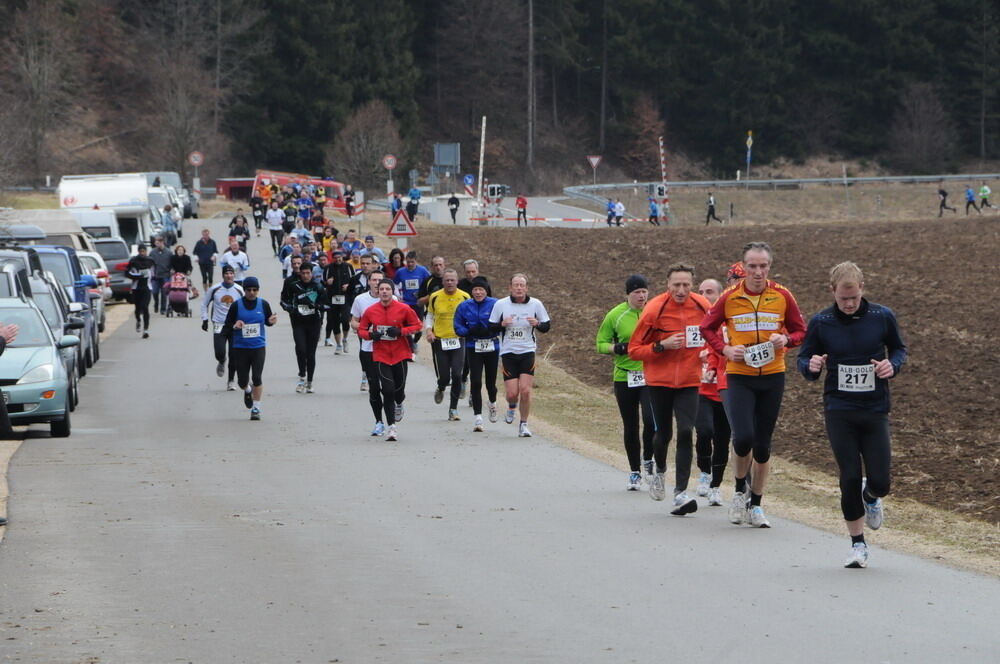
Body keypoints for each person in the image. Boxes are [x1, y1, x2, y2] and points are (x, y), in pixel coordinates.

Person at [797, 262, 907, 568]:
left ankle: (871, 496)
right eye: (843, 298)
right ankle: (858, 545)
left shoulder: (881, 317)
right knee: (848, 477)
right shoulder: (822, 322)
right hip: (839, 409)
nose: (848, 304)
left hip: (874, 409)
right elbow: (804, 358)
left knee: (882, 481)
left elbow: (899, 349)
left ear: (862, 290)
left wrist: (892, 366)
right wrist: (811, 367)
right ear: (832, 291)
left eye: (854, 298)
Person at [700, 241, 807, 528]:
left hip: (772, 376)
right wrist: (724, 349)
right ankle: (738, 492)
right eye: (752, 266)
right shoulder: (729, 297)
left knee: (762, 446)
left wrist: (785, 340)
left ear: (769, 267)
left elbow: (800, 330)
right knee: (743, 437)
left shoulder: (783, 295)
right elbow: (706, 328)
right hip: (739, 376)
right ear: (744, 267)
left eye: (763, 266)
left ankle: (756, 504)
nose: (758, 272)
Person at [628, 264, 711, 514]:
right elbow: (634, 350)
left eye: (686, 284)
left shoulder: (703, 307)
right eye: (676, 284)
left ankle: (681, 493)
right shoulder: (655, 308)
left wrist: (710, 353)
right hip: (659, 381)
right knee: (664, 434)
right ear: (668, 285)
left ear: (692, 285)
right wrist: (661, 345)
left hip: (690, 380)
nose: (681, 290)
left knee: (686, 431)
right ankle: (660, 471)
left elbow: (716, 336)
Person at [596, 275, 656, 491]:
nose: (641, 296)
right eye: (636, 293)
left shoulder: (654, 311)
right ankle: (634, 472)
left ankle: (648, 458)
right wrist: (615, 348)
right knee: (631, 425)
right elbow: (600, 343)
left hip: (650, 375)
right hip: (624, 376)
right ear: (628, 295)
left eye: (644, 292)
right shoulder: (616, 315)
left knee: (651, 421)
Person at [358, 279, 422, 441]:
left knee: (398, 390)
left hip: (400, 354)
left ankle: (399, 403)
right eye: (382, 289)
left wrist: (401, 331)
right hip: (381, 355)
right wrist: (371, 335)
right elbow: (361, 330)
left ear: (392, 292)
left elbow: (417, 325)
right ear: (378, 292)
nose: (385, 292)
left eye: (387, 289)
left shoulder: (404, 309)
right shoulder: (371, 311)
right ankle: (391, 427)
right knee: (387, 390)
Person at [488, 274, 551, 437]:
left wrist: (537, 324)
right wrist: (502, 324)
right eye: (516, 285)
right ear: (510, 287)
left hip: (527, 351)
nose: (519, 288)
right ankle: (511, 407)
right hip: (508, 352)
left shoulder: (536, 304)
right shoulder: (501, 304)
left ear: (527, 288)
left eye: (522, 285)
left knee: (526, 390)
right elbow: (491, 327)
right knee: (511, 394)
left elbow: (546, 326)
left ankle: (523, 424)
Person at [694, 277, 730, 505]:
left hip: (725, 391)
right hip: (701, 390)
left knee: (723, 439)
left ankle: (716, 485)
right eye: (701, 292)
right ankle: (705, 473)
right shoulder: (693, 322)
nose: (704, 296)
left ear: (719, 296)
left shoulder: (726, 325)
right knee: (704, 431)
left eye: (709, 292)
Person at [222, 276, 277, 421]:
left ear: (258, 290)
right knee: (242, 381)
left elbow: (267, 321)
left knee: (257, 377)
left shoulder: (263, 304)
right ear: (244, 290)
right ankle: (247, 390)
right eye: (249, 290)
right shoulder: (236, 305)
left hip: (258, 347)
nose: (252, 292)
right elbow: (227, 326)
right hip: (240, 348)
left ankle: (256, 408)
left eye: (255, 290)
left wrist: (271, 322)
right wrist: (235, 325)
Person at [453, 277, 499, 432]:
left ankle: (492, 403)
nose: (478, 292)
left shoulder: (495, 304)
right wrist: (469, 331)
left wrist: (491, 328)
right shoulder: (465, 306)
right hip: (474, 346)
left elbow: (503, 323)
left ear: (486, 291)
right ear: (471, 291)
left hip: (492, 345)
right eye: (475, 290)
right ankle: (478, 418)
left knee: (491, 383)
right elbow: (457, 325)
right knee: (476, 381)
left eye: (481, 290)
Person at [425, 268, 470, 420]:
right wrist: (429, 331)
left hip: (458, 340)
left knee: (457, 374)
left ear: (457, 281)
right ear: (442, 282)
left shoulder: (464, 296)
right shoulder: (435, 296)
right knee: (444, 376)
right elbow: (429, 315)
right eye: (447, 280)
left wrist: (468, 331)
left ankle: (453, 408)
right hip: (440, 340)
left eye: (452, 280)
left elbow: (469, 317)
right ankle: (441, 386)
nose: (450, 283)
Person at [351, 270, 389, 433]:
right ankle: (379, 421)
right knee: (374, 387)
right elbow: (353, 321)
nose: (377, 283)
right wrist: (365, 330)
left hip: (389, 349)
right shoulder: (360, 300)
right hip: (368, 349)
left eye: (380, 280)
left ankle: (395, 407)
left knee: (390, 388)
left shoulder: (392, 299)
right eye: (374, 280)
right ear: (369, 282)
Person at [281, 261, 325, 393]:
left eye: (308, 273)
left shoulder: (318, 287)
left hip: (314, 323)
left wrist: (317, 306)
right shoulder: (294, 286)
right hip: (298, 322)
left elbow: (327, 305)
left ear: (312, 274)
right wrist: (290, 308)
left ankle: (310, 382)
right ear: (300, 273)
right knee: (301, 349)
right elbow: (283, 300)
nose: (306, 275)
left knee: (311, 354)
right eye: (303, 273)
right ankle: (302, 377)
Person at [201, 265, 244, 390]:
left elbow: (246, 305)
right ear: (223, 275)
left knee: (234, 354)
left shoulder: (239, 289)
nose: (229, 275)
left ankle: (231, 381)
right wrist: (204, 319)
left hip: (234, 326)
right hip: (219, 324)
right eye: (227, 273)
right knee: (220, 352)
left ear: (234, 275)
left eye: (231, 273)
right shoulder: (215, 289)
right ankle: (221, 361)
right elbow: (204, 304)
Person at [393, 251, 431, 350]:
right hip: (406, 303)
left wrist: (423, 294)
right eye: (408, 262)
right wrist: (398, 297)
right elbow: (395, 285)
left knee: (418, 327)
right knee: (406, 325)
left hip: (418, 303)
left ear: (416, 261)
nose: (410, 264)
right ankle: (411, 346)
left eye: (412, 262)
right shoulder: (401, 271)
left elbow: (429, 283)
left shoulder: (422, 270)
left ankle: (414, 341)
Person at [323, 250, 354, 352]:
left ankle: (345, 339)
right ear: (333, 258)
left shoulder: (348, 267)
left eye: (339, 257)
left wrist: (348, 286)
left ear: (342, 257)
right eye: (336, 258)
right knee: (334, 321)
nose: (338, 259)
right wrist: (327, 283)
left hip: (345, 298)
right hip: (333, 298)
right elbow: (323, 283)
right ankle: (338, 344)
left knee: (345, 320)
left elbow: (354, 281)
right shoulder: (328, 268)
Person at [125, 244, 155, 338]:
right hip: (136, 288)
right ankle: (138, 320)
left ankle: (146, 330)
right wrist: (136, 276)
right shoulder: (133, 261)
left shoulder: (150, 260)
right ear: (138, 251)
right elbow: (127, 273)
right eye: (141, 251)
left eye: (144, 251)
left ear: (146, 251)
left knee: (145, 307)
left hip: (147, 288)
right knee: (138, 308)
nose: (142, 253)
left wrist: (153, 276)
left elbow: (154, 272)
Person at [148, 236, 172, 315]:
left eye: (158, 243)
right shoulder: (152, 252)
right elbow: (149, 264)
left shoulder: (169, 252)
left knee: (164, 292)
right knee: (154, 292)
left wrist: (172, 270)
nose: (156, 244)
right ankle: (156, 303)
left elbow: (172, 263)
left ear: (162, 242)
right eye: (156, 243)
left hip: (166, 275)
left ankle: (163, 309)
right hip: (155, 276)